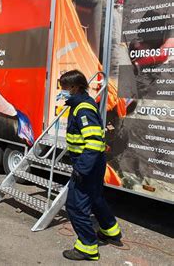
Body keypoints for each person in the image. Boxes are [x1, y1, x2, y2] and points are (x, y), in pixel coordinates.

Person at [58, 70, 122, 261]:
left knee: (75, 207)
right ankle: (111, 230)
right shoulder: (81, 104)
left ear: (74, 87)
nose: (62, 91)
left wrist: (81, 169)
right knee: (94, 198)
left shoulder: (83, 109)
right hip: (92, 163)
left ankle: (87, 247)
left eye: (64, 88)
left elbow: (93, 142)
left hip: (88, 165)